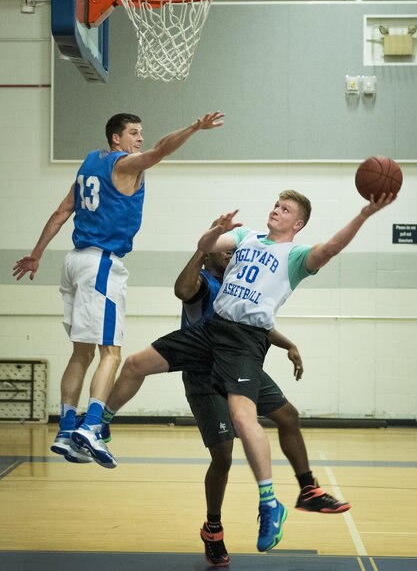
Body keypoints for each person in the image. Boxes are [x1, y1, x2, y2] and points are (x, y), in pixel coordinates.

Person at [96, 188, 395, 552]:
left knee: (246, 419)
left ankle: (271, 503)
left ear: (297, 223)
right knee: (134, 363)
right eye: (275, 205)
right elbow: (205, 243)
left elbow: (330, 248)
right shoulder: (245, 236)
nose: (276, 210)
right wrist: (214, 232)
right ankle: (100, 426)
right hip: (211, 330)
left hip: (243, 341)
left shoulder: (296, 256)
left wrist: (364, 214)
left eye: (285, 209)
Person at [12, 110, 224, 468]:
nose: (139, 139)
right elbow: (160, 150)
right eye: (133, 133)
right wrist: (193, 127)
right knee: (111, 353)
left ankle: (66, 430)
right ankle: (92, 426)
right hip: (101, 265)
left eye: (141, 132)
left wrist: (36, 254)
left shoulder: (90, 162)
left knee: (81, 353)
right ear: (116, 139)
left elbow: (63, 210)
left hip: (74, 262)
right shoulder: (125, 165)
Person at [172, 243, 350, 566]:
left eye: (232, 250)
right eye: (224, 250)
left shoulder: (236, 283)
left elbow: (259, 323)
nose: (231, 254)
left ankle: (308, 489)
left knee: (288, 416)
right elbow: (182, 290)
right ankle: (213, 528)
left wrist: (289, 344)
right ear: (208, 254)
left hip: (239, 367)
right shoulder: (201, 283)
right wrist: (199, 249)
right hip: (204, 374)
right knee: (223, 456)